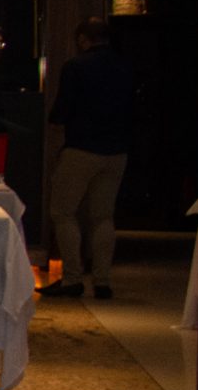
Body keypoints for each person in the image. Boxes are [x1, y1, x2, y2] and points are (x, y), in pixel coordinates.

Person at [41, 16, 131, 299]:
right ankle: (102, 281)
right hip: (116, 151)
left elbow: (63, 109)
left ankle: (72, 278)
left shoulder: (76, 66)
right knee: (103, 216)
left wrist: (55, 121)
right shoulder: (124, 66)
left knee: (63, 212)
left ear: (82, 39)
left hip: (82, 147)